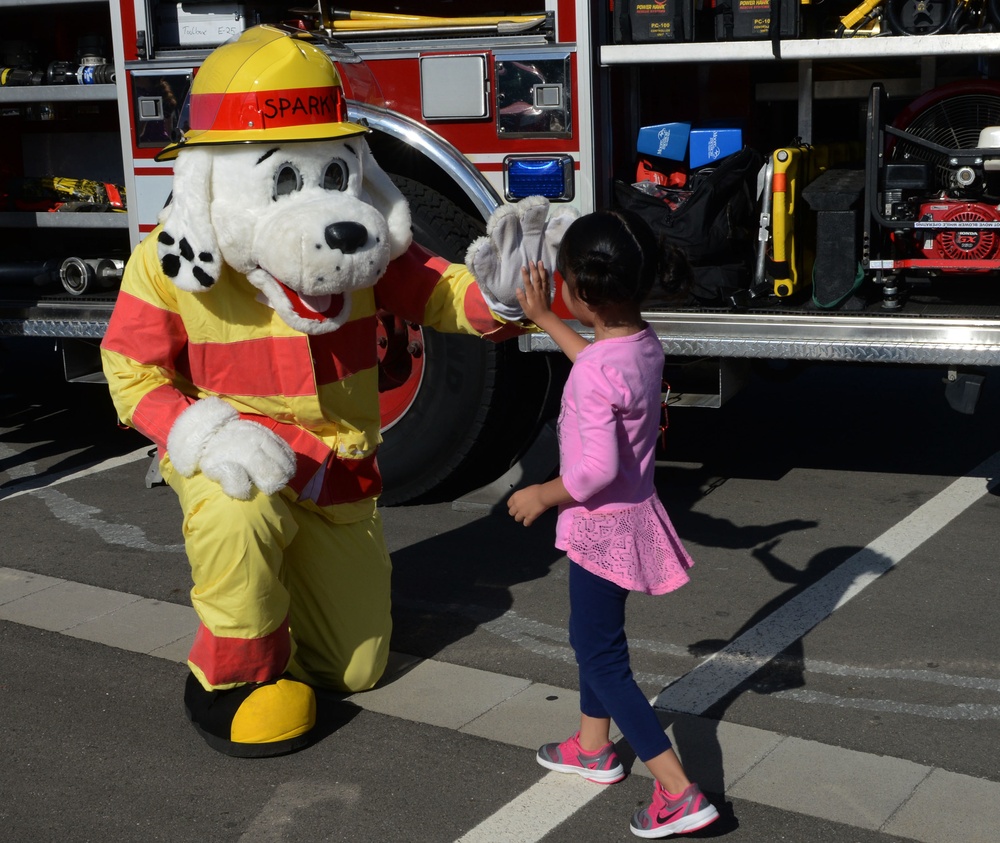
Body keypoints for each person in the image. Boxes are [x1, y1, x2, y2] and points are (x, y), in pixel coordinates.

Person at [507, 209, 719, 839]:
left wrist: (543, 494)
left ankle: (678, 790)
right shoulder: (640, 343)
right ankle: (593, 747)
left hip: (601, 526)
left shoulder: (603, 366)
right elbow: (599, 368)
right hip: (631, 519)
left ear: (580, 289)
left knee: (602, 659)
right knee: (594, 642)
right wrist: (547, 320)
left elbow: (593, 473)